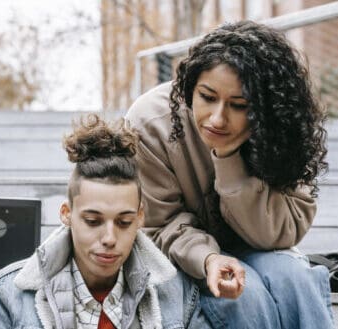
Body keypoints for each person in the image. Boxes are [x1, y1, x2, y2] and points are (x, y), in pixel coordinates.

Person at [125, 21, 333, 328]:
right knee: (241, 296)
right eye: (207, 97)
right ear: (189, 88)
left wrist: (229, 159)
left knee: (294, 280)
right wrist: (209, 258)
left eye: (239, 106)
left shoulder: (280, 125)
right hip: (182, 260)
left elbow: (284, 230)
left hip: (260, 248)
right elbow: (158, 226)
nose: (218, 118)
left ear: (264, 108)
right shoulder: (149, 123)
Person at [0, 114, 210, 329]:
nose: (109, 238)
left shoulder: (177, 294)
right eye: (92, 221)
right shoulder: (9, 294)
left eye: (124, 222)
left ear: (140, 217)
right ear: (66, 214)